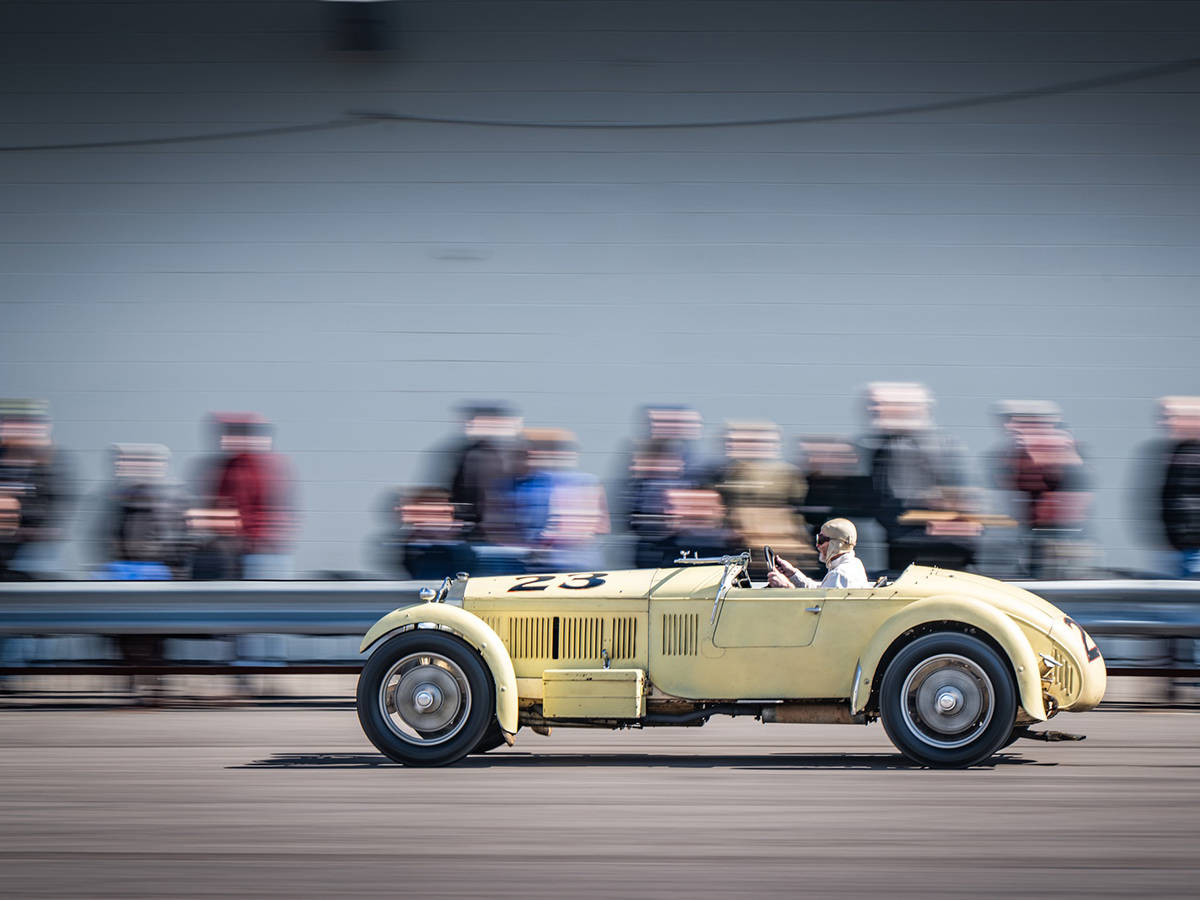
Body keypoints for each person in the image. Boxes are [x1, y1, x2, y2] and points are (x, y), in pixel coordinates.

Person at [768, 518, 869, 589]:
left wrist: (786, 587)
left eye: (821, 539)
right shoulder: (855, 564)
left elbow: (822, 609)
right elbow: (821, 591)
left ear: (835, 543)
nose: (817, 545)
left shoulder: (839, 574)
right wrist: (793, 574)